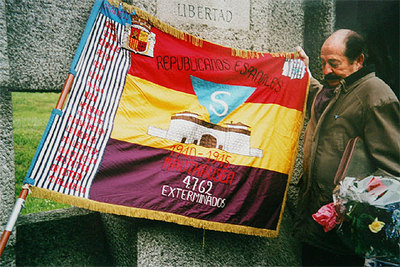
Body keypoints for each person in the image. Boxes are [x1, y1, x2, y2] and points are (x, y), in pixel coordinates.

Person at [294, 29, 400, 266]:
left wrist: (348, 204)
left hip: (345, 235)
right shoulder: (338, 87)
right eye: (323, 63)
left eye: (334, 63)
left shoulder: (375, 94)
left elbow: (393, 170)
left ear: (359, 61)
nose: (326, 70)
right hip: (315, 224)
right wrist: (303, 72)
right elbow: (320, 97)